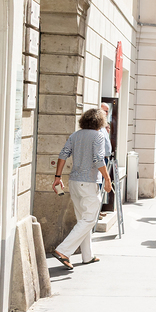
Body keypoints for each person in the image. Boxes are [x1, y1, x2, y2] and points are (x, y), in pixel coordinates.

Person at [51, 109, 112, 269]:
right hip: (89, 183)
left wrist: (57, 177)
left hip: (74, 182)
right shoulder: (98, 136)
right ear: (100, 122)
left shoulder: (75, 135)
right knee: (89, 219)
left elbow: (63, 154)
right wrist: (107, 178)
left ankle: (87, 256)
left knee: (83, 220)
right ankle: (63, 251)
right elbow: (98, 159)